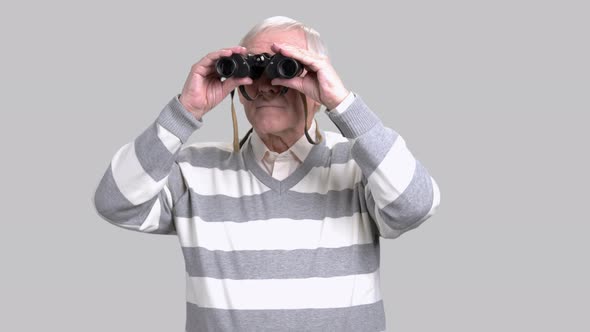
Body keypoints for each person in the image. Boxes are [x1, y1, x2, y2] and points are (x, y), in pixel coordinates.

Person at [93, 16, 440, 332]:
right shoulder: (194, 170)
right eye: (254, 71)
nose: (267, 84)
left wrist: (344, 104)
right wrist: (186, 110)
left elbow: (415, 206)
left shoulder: (359, 164)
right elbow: (115, 202)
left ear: (318, 83)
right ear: (239, 87)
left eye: (287, 69)